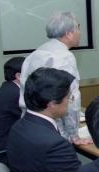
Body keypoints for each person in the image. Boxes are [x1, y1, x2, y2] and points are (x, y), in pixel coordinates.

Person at [8, 68, 81, 172]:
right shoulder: (54, 145)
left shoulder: (19, 126)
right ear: (52, 103)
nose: (69, 102)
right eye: (69, 98)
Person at [20, 11, 91, 145]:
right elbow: (71, 100)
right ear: (68, 33)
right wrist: (74, 135)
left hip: (30, 125)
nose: (80, 32)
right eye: (78, 28)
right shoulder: (64, 57)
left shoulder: (34, 54)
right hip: (55, 131)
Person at [0, 57, 25, 161]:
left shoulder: (8, 87)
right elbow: (30, 120)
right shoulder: (15, 94)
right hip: (4, 149)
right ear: (19, 76)